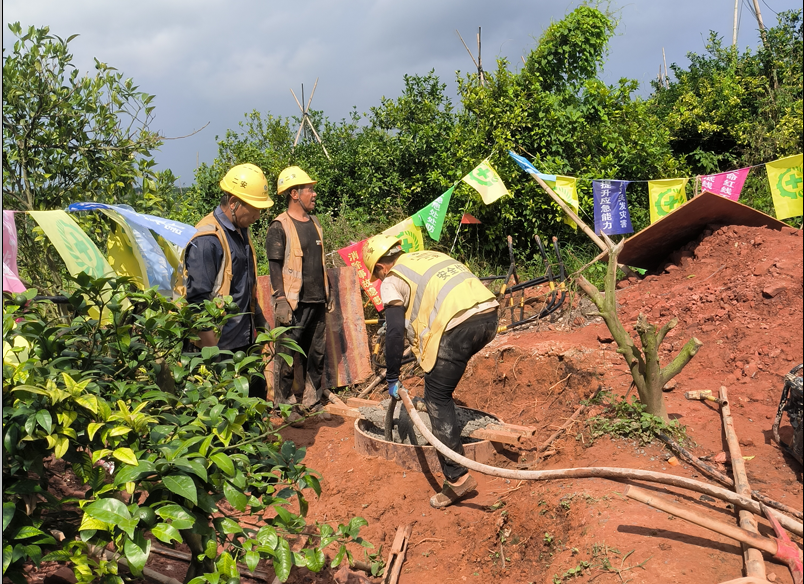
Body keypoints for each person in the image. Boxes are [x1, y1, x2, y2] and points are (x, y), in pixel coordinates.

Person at [363, 234, 499, 508]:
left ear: (380, 267)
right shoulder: (429, 256)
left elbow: (394, 331)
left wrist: (391, 376)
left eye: (377, 276)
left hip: (458, 325)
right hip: (489, 316)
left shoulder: (391, 280)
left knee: (437, 397)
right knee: (440, 378)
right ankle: (440, 394)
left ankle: (458, 480)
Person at [182, 163, 273, 398]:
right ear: (233, 202)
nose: (258, 215)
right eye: (254, 208)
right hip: (219, 346)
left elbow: (244, 285)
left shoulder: (241, 230)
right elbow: (198, 301)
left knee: (255, 401)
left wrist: (261, 323)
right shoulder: (207, 239)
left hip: (242, 341)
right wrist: (213, 356)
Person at [265, 166, 330, 418]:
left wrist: (328, 291)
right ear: (294, 193)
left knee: (317, 355)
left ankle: (312, 402)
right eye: (309, 190)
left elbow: (320, 261)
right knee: (287, 356)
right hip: (293, 303)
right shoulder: (278, 226)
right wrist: (280, 298)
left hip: (317, 301)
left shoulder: (315, 223)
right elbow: (274, 267)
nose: (313, 194)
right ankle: (286, 406)